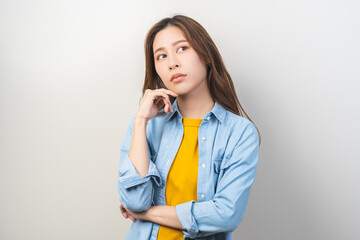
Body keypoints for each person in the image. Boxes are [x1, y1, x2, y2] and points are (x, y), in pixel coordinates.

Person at [117, 14, 261, 240]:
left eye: (182, 48)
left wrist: (147, 213)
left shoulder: (240, 133)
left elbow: (226, 215)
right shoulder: (146, 127)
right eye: (161, 56)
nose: (172, 62)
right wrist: (141, 119)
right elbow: (135, 200)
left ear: (207, 55)